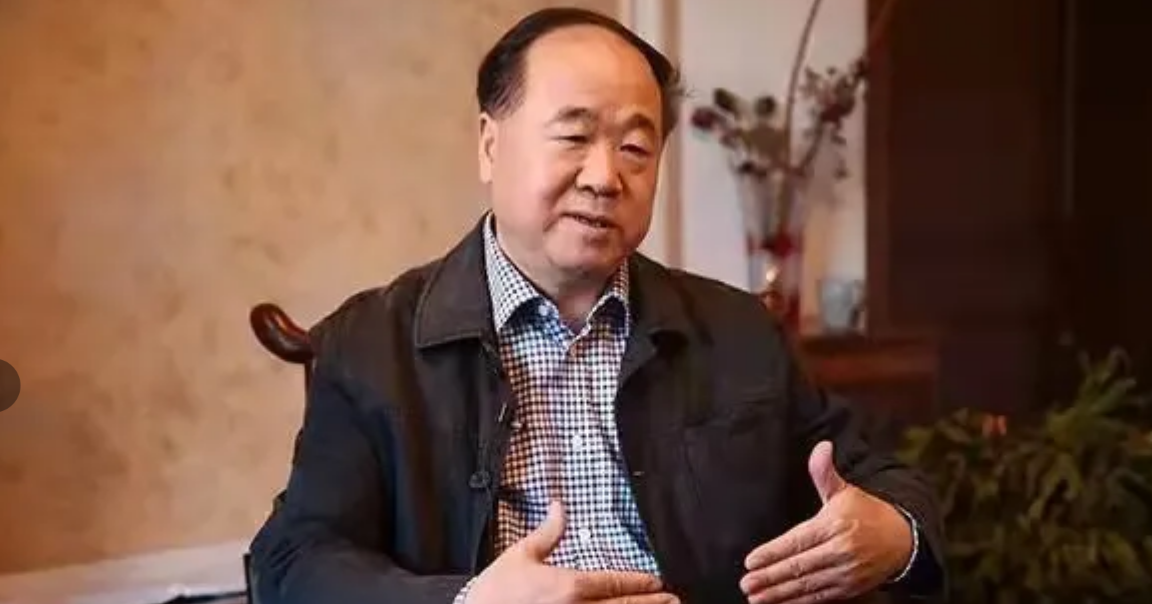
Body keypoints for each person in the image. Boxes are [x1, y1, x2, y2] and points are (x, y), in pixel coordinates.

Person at [248, 7, 945, 604]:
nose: (606, 177)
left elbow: (882, 479)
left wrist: (895, 534)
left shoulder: (738, 331)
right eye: (574, 136)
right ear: (490, 144)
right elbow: (294, 561)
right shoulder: (372, 344)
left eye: (636, 147)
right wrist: (466, 600)